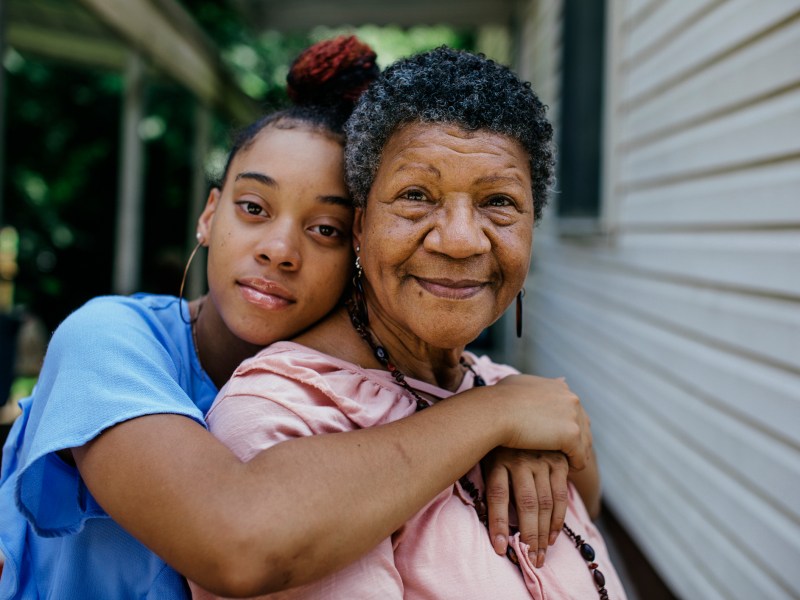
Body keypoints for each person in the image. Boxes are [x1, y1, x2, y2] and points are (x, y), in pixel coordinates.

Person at [0, 38, 593, 598]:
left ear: (360, 244)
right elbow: (234, 537)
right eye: (253, 207)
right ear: (209, 216)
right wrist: (496, 414)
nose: (279, 249)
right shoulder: (108, 340)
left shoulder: (382, 387)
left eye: (325, 229)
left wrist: (519, 433)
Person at [195, 47, 624, 599]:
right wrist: (496, 416)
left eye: (499, 201)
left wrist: (520, 421)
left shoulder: (513, 397)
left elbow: (586, 502)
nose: (462, 239)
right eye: (416, 195)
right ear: (360, 226)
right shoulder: (283, 416)